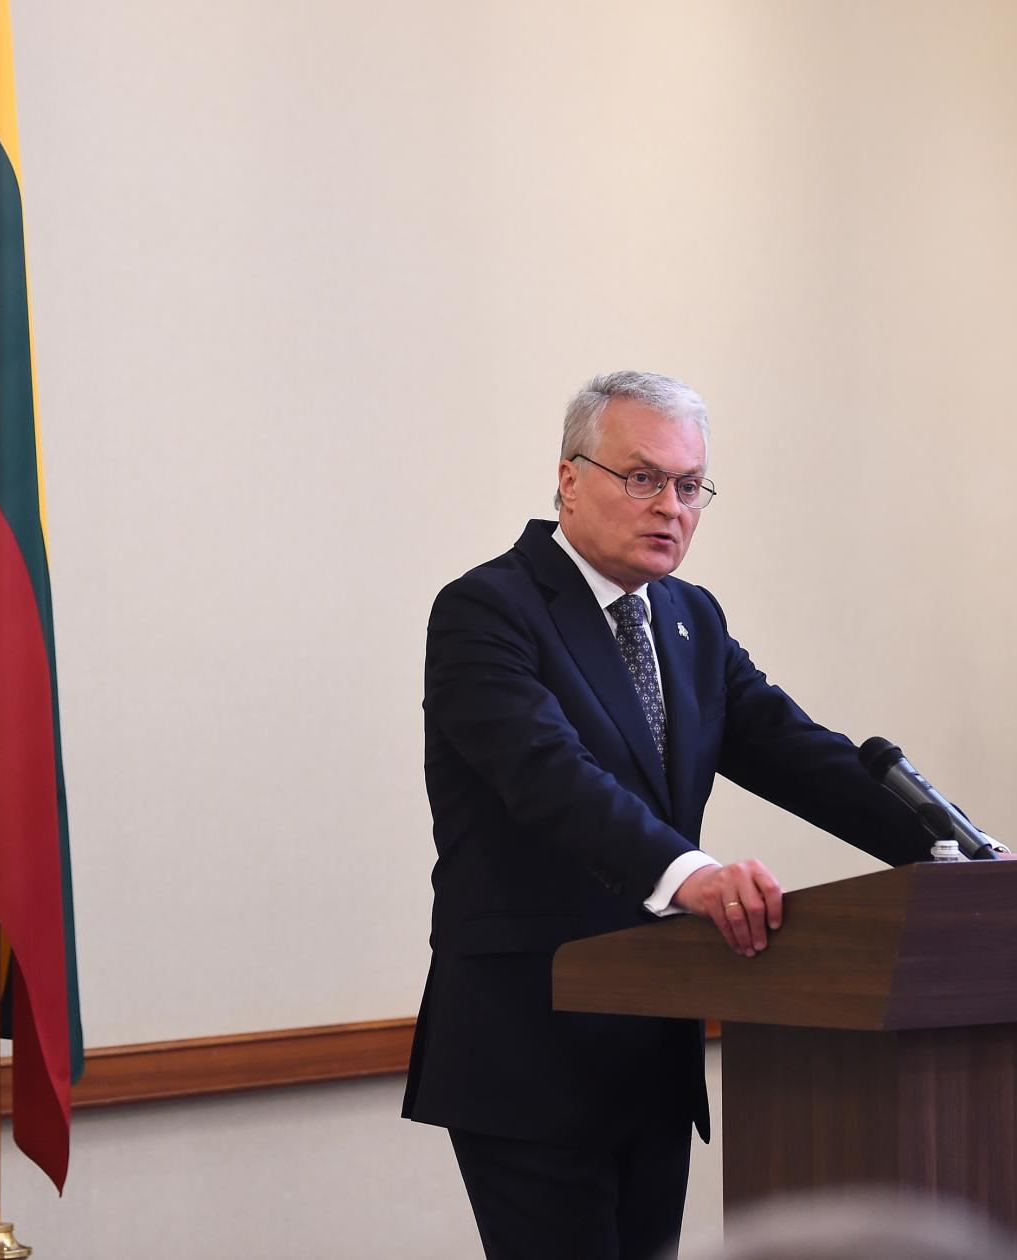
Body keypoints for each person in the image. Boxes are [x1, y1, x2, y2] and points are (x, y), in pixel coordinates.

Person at [402, 371, 944, 1260]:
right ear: (570, 478)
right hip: (527, 1047)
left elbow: (798, 752)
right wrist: (692, 876)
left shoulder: (690, 618)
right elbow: (548, 775)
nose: (671, 507)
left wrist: (957, 853)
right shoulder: (488, 609)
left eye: (691, 486)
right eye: (643, 478)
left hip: (652, 1043)